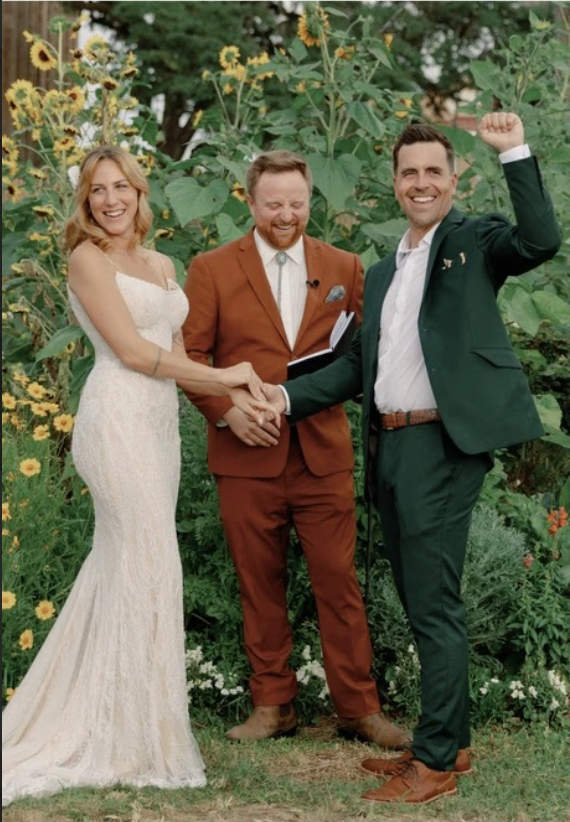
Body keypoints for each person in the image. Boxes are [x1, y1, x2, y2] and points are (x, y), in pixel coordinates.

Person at [266, 114, 561, 803]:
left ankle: (431, 765)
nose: (421, 183)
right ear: (394, 185)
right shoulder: (384, 267)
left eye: (434, 171)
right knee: (423, 600)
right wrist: (279, 401)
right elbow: (354, 366)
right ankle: (449, 744)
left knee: (433, 609)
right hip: (390, 445)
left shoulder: (474, 240)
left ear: (455, 180)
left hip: (442, 445)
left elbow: (541, 240)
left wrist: (513, 149)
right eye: (410, 173)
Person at [2, 145, 275, 807]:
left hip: (157, 430)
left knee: (136, 565)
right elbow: (131, 352)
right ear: (85, 201)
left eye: (120, 186)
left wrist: (234, 407)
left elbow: (176, 357)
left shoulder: (160, 262)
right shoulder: (86, 259)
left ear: (138, 191)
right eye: (98, 190)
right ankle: (121, 736)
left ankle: (134, 724)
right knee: (147, 559)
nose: (111, 199)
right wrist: (233, 373)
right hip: (117, 420)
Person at [182, 150, 409, 747]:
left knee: (339, 583)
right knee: (258, 583)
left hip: (321, 455)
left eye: (297, 202)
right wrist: (226, 412)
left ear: (312, 200)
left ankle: (358, 709)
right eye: (274, 203)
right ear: (251, 202)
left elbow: (365, 353)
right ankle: (273, 704)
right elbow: (190, 360)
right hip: (245, 457)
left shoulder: (345, 265)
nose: (286, 214)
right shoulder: (210, 268)